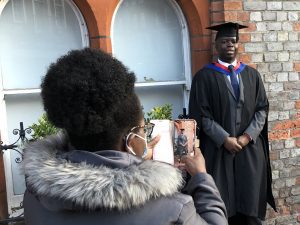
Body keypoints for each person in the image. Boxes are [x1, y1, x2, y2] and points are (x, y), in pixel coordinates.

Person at [23, 48, 227, 225]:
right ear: (131, 141)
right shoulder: (174, 209)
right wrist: (201, 178)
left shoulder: (35, 197)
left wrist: (134, 163)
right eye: (142, 131)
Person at [189, 22, 276, 225]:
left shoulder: (252, 75)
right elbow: (201, 114)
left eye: (233, 41)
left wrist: (246, 137)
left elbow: (261, 109)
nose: (230, 44)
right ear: (216, 45)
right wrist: (225, 138)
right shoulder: (204, 77)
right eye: (225, 41)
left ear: (238, 45)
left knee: (250, 207)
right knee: (223, 207)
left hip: (250, 151)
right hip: (219, 152)